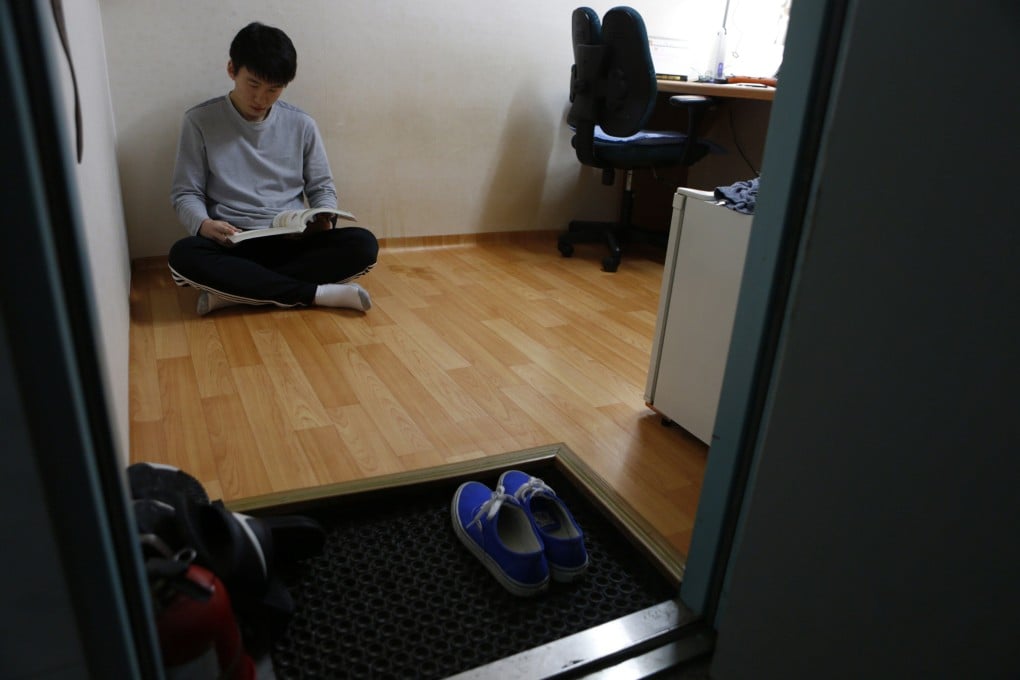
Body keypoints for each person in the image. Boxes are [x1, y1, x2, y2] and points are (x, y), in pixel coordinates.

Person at [168, 22, 378, 316]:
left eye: (274, 89)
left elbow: (321, 188)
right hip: (232, 243)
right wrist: (204, 225)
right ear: (232, 70)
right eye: (253, 84)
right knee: (183, 256)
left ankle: (233, 294)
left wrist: (324, 220)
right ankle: (315, 294)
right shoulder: (199, 121)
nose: (261, 99)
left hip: (291, 240)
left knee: (363, 245)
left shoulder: (301, 124)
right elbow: (185, 192)